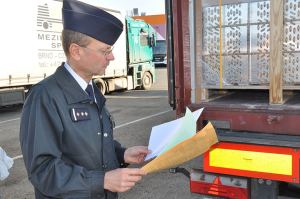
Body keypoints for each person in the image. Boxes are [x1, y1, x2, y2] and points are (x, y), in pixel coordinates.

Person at [19, 0, 150, 198]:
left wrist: (121, 154)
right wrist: (103, 180)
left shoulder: (91, 91)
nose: (112, 57)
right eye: (105, 51)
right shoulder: (45, 96)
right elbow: (42, 171)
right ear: (76, 51)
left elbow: (90, 146)